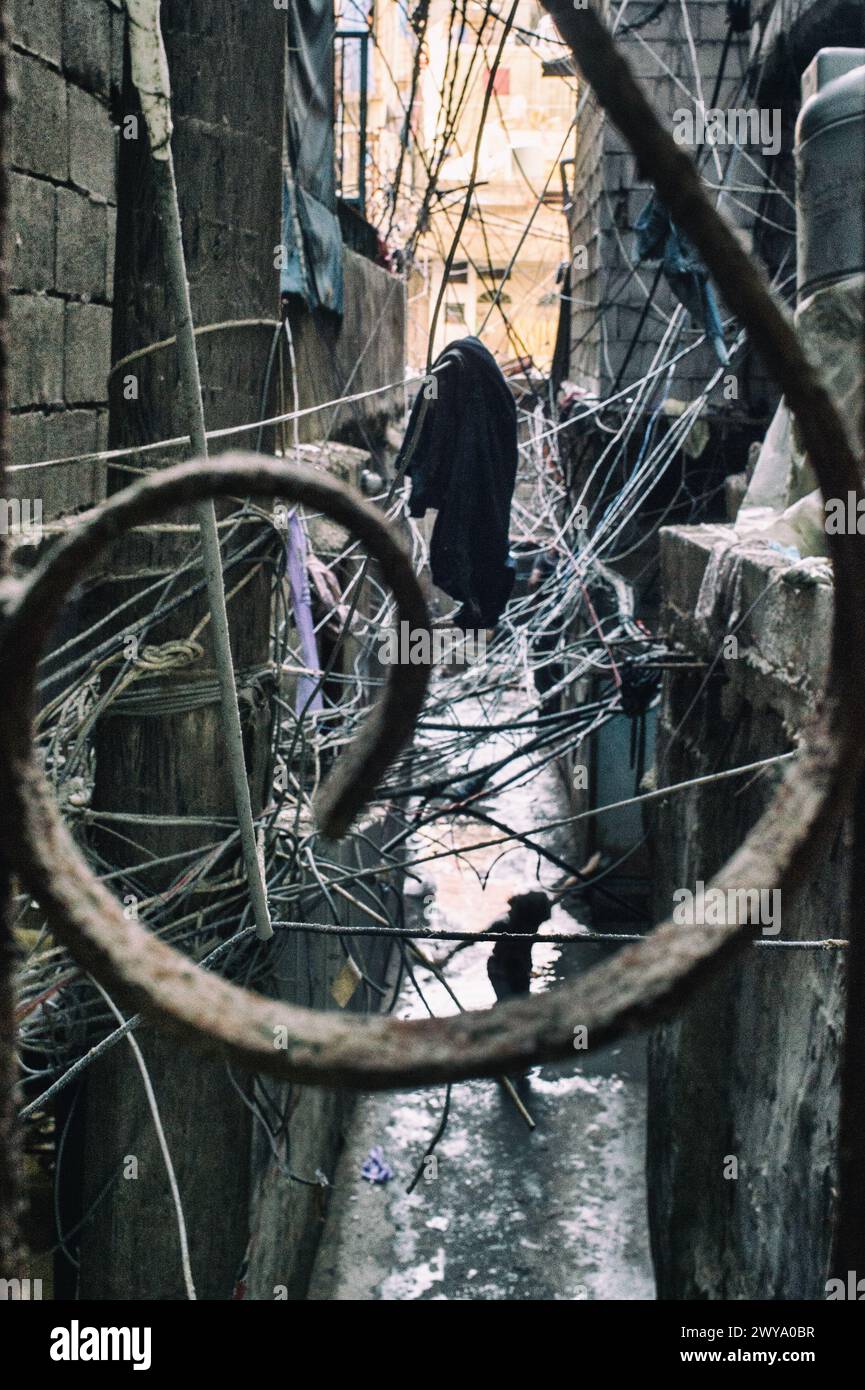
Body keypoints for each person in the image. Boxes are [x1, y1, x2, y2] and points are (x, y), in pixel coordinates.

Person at [486, 891, 552, 1004]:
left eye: (512, 909)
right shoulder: (532, 927)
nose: (509, 911)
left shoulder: (507, 927)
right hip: (504, 969)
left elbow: (476, 938)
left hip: (512, 969)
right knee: (513, 1000)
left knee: (511, 1001)